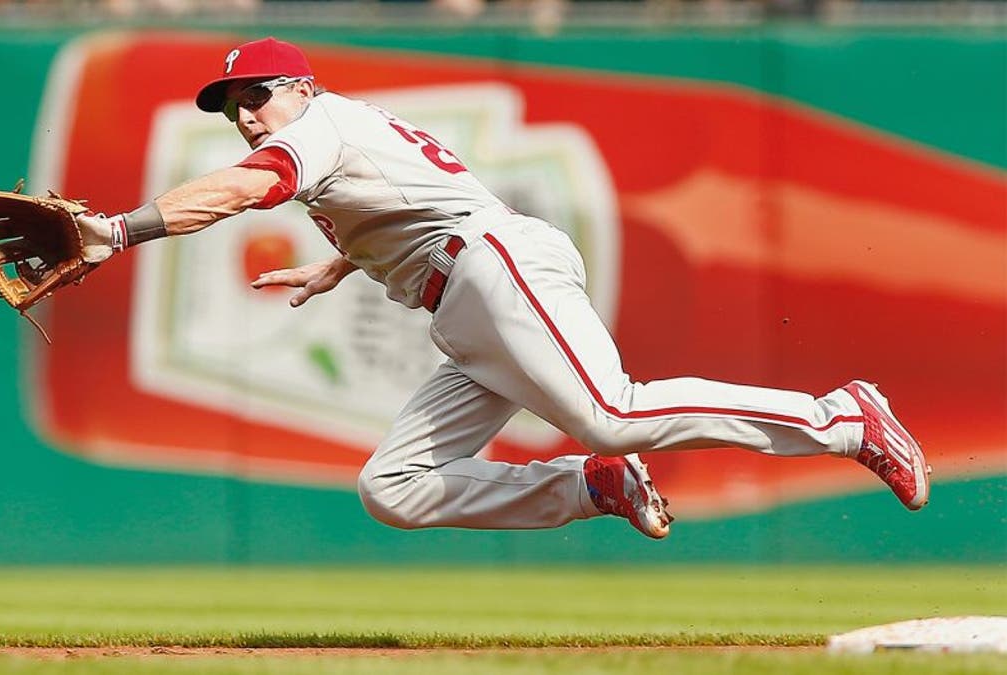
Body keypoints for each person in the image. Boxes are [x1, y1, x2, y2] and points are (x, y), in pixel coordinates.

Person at [78, 37, 930, 539]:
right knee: (395, 487)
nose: (246, 114)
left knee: (611, 410)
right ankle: (594, 485)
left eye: (255, 95)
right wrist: (341, 261)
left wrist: (117, 230)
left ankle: (843, 415)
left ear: (301, 87)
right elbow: (408, 200)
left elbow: (235, 191)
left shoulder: (321, 124)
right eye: (232, 106)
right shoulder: (338, 136)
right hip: (466, 302)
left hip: (493, 267)